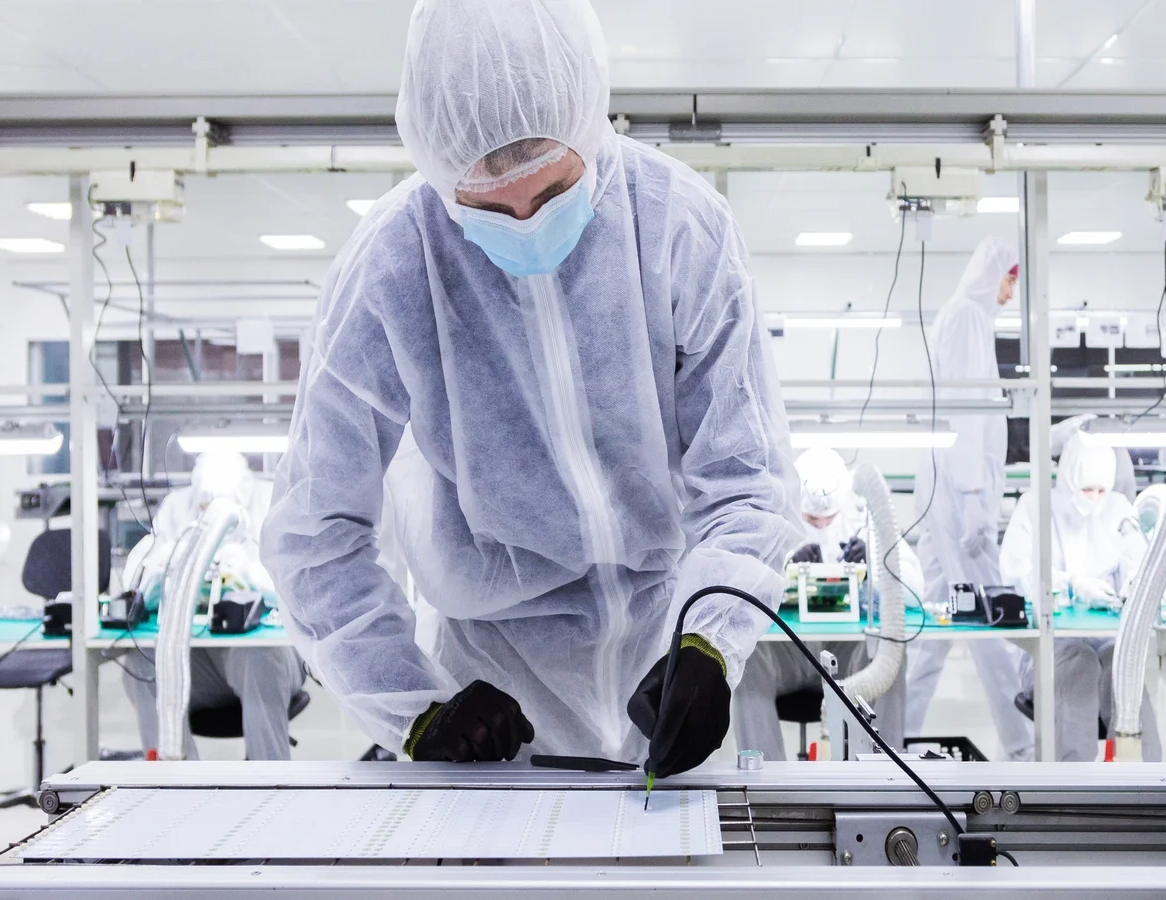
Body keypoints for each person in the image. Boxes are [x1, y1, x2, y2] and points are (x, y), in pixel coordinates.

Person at [261, 0, 794, 776]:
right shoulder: (390, 268)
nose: (523, 226)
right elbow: (313, 535)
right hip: (489, 709)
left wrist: (712, 639)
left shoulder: (678, 228)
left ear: (592, 128)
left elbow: (747, 479)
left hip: (668, 671)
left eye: (550, 194)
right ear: (441, 178)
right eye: (484, 205)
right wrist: (420, 707)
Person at [900, 236, 1033, 759]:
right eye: (1010, 278)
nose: (1011, 291)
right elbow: (967, 407)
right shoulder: (967, 318)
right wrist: (976, 493)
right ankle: (1024, 745)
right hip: (960, 495)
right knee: (992, 622)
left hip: (950, 491)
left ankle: (889, 736)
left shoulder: (964, 317)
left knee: (934, 626)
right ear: (992, 272)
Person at [733, 449, 922, 761]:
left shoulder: (864, 516)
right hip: (789, 654)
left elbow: (915, 586)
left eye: (827, 519)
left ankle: (884, 774)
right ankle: (766, 780)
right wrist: (786, 571)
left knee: (891, 655)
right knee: (747, 659)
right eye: (811, 519)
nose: (820, 525)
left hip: (845, 652)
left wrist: (875, 567)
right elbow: (743, 585)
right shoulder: (775, 515)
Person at [120, 451, 306, 760]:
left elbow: (299, 590)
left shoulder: (272, 502)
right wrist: (172, 565)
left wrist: (248, 575)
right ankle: (177, 783)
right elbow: (138, 584)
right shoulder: (177, 510)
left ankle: (270, 783)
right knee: (141, 665)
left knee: (260, 657)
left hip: (266, 661)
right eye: (207, 509)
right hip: (200, 664)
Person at [998, 434, 1162, 762]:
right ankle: (1073, 788)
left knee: (1126, 671)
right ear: (1070, 477)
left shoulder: (1117, 509)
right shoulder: (1035, 507)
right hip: (1051, 650)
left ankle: (1139, 780)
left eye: (1101, 490)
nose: (1095, 498)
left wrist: (1135, 585)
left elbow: (1139, 561)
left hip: (1107, 643)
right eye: (1087, 489)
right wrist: (1072, 585)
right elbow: (1018, 573)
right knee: (1080, 666)